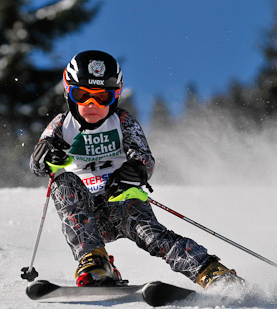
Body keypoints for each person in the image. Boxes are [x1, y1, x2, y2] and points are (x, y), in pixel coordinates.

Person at [30, 50, 242, 290]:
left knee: (153, 237)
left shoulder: (122, 122)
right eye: (83, 95)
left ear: (116, 96)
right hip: (85, 214)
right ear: (69, 93)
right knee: (63, 182)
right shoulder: (60, 126)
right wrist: (45, 156)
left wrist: (134, 171)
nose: (92, 104)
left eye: (103, 97)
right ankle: (95, 262)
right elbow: (38, 164)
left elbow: (144, 158)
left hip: (123, 203)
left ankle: (211, 272)